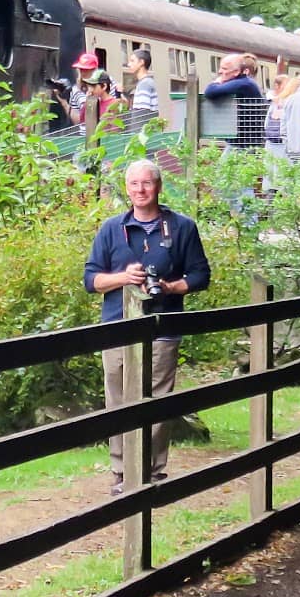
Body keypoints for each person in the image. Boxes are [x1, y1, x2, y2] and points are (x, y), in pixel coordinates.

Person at [83, 159, 212, 495]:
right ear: (126, 189)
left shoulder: (182, 227)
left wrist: (170, 287)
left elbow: (200, 275)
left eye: (147, 183)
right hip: (115, 328)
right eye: (134, 184)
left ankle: (152, 472)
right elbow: (90, 279)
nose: (140, 190)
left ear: (158, 186)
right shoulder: (112, 229)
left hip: (163, 327)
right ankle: (122, 473)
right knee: (118, 401)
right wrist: (124, 278)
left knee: (158, 401)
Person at [203, 53, 266, 147]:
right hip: (239, 141)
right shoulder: (243, 83)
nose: (220, 71)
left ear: (236, 72)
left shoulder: (243, 84)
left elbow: (210, 92)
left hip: (246, 143)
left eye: (225, 69)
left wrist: (218, 81)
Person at [128, 47, 159, 117]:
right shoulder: (145, 82)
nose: (129, 64)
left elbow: (142, 115)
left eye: (132, 61)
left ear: (141, 62)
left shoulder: (145, 84)